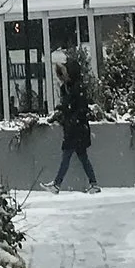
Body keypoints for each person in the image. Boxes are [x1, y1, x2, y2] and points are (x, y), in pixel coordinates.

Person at [51, 47, 99, 192]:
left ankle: (57, 184)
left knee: (67, 156)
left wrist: (69, 117)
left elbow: (80, 108)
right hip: (77, 128)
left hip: (75, 129)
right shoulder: (69, 88)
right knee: (82, 157)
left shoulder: (76, 89)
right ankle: (93, 183)